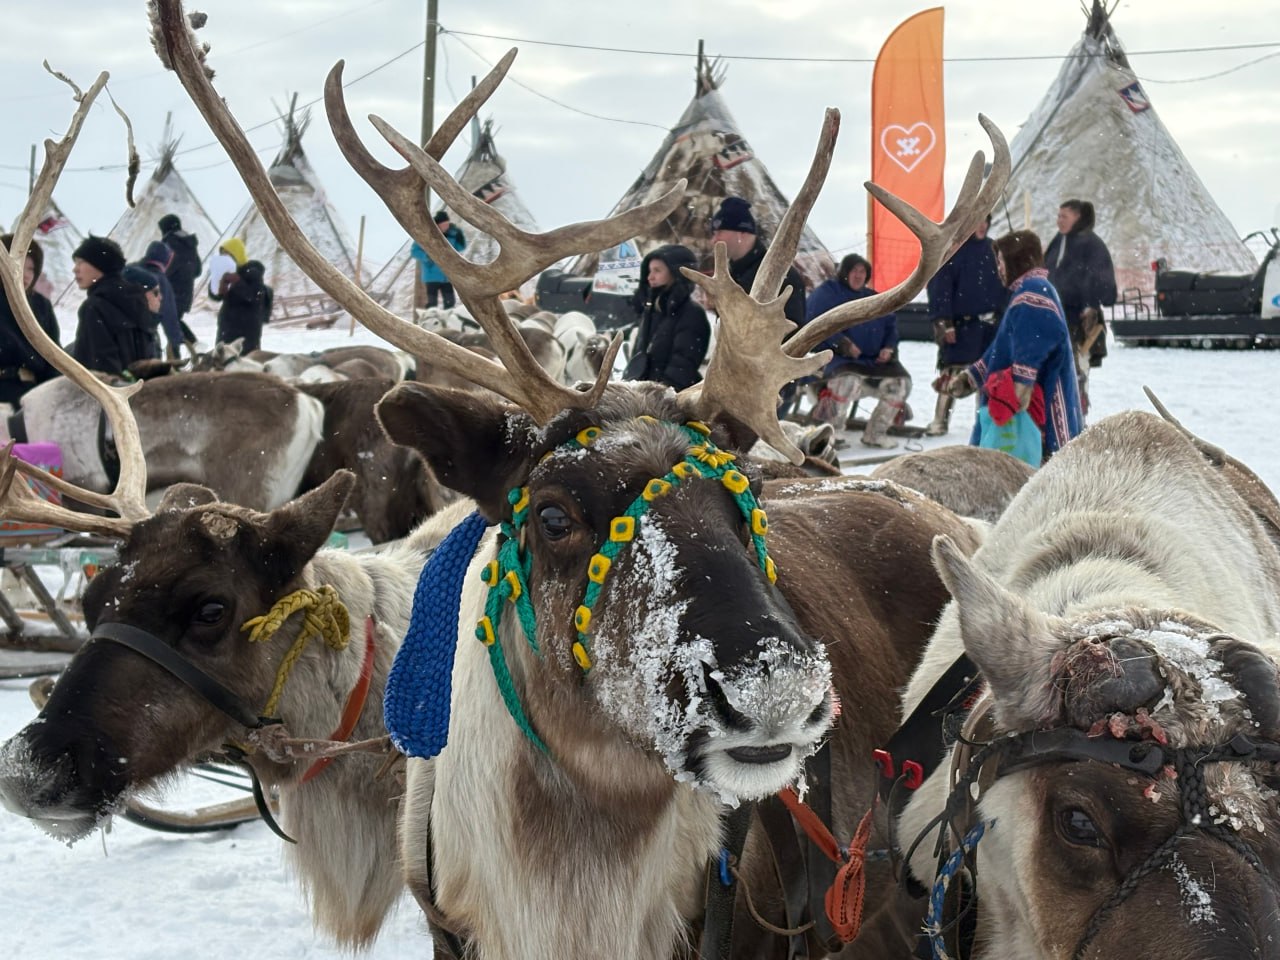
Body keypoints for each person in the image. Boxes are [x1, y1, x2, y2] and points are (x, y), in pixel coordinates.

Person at [946, 230, 1083, 464]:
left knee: (1026, 471)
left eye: (1001, 261)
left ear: (1016, 260)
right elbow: (1002, 348)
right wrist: (972, 377)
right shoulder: (1030, 289)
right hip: (1030, 409)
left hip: (1036, 411)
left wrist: (1021, 384)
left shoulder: (1033, 290)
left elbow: (1035, 339)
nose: (998, 269)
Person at [799, 253, 910, 449]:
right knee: (847, 381)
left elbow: (891, 326)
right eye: (854, 271)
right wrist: (841, 343)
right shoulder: (827, 293)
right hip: (833, 361)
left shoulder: (872, 297)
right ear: (844, 272)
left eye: (862, 272)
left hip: (871, 363)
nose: (859, 275)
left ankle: (875, 433)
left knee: (900, 384)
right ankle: (831, 433)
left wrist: (889, 347)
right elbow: (814, 325)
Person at [924, 215, 1007, 436]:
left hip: (990, 327)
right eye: (977, 221)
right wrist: (945, 323)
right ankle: (940, 421)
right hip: (961, 327)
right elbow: (940, 289)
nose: (982, 226)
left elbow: (1006, 282)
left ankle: (984, 423)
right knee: (952, 373)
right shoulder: (953, 251)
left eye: (985, 221)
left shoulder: (995, 250)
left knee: (987, 375)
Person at [1044, 199, 1117, 408]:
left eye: (1064, 216)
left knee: (1077, 379)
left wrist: (1089, 304)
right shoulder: (1058, 241)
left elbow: (1106, 286)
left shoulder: (1092, 245)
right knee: (1054, 379)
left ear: (1077, 217)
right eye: (1058, 216)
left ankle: (1077, 418)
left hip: (1080, 325)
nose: (1059, 221)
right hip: (1055, 320)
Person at [621, 244, 711, 390]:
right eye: (649, 271)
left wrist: (658, 393)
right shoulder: (652, 310)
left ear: (676, 273)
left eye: (657, 270)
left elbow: (683, 366)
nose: (650, 277)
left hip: (668, 398)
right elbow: (639, 357)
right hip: (641, 393)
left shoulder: (692, 314)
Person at [708, 196, 806, 326]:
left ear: (742, 233)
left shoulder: (779, 275)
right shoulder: (733, 275)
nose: (713, 240)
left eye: (719, 232)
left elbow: (791, 328)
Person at [70, 235, 153, 377]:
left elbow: (98, 366)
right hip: (140, 385)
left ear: (100, 264)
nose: (75, 269)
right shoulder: (136, 299)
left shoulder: (94, 307)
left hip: (109, 387)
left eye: (81, 262)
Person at [0, 234, 60, 405]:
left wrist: (51, 395)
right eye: (18, 266)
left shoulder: (40, 305)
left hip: (33, 395)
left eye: (31, 269)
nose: (25, 275)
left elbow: (54, 356)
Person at [137, 241, 186, 359]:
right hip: (145, 334)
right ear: (166, 260)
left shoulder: (130, 270)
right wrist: (176, 339)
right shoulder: (160, 280)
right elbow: (169, 314)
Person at [410, 210, 467, 309]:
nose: (446, 226)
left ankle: (448, 319)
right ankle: (430, 318)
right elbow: (414, 251)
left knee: (450, 303)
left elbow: (459, 248)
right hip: (431, 275)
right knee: (432, 303)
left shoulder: (452, 234)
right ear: (438, 224)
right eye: (444, 224)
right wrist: (427, 256)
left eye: (447, 224)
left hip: (447, 275)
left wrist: (460, 237)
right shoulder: (426, 234)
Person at [215, 259, 273, 353]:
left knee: (231, 357)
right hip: (234, 331)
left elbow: (252, 295)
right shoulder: (235, 280)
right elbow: (217, 296)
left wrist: (237, 281)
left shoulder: (251, 280)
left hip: (238, 332)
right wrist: (220, 282)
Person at [157, 214, 200, 340]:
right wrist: (185, 275)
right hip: (186, 291)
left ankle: (194, 343)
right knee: (173, 321)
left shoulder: (170, 243)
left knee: (170, 320)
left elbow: (165, 268)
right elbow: (197, 270)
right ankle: (181, 348)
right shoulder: (189, 244)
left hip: (171, 290)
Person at [121, 264, 165, 361]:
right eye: (156, 292)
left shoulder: (146, 325)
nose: (160, 297)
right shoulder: (127, 334)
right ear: (139, 295)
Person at [207, 237, 247, 301]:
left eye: (226, 253)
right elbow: (216, 295)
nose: (224, 256)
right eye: (222, 253)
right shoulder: (225, 269)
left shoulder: (243, 274)